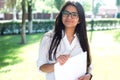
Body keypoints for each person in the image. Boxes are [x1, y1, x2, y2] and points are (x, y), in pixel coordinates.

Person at [37, 1, 92, 80]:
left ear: (80, 19)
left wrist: (89, 75)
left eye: (74, 14)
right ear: (61, 15)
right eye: (66, 13)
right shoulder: (48, 38)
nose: (69, 17)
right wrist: (57, 64)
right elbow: (41, 67)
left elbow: (89, 66)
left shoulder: (83, 40)